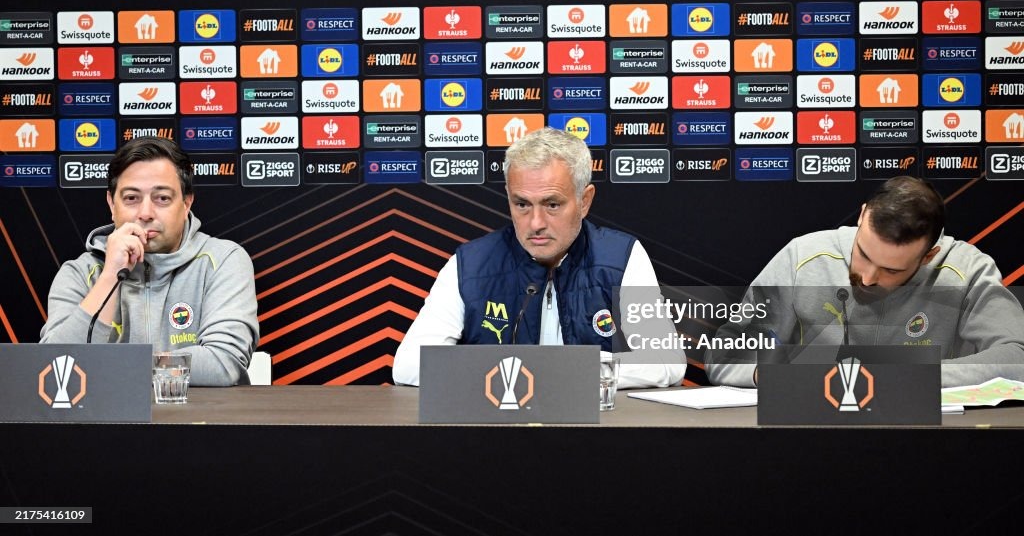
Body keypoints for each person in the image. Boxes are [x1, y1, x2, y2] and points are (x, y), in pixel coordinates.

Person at [393, 126, 686, 388]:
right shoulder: (471, 263)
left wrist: (555, 371)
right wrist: (517, 374)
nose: (535, 223)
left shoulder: (621, 258)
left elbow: (666, 362)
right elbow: (407, 367)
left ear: (584, 201)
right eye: (521, 204)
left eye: (552, 205)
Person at [706, 176, 1024, 388]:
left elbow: (1017, 357)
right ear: (861, 216)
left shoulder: (965, 270)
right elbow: (725, 357)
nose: (869, 278)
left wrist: (903, 376)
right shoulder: (802, 256)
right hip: (808, 439)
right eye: (863, 254)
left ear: (928, 256)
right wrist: (772, 375)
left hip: (929, 442)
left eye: (891, 270)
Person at [40, 137, 259, 386]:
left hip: (200, 422)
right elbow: (56, 365)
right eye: (132, 198)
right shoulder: (79, 273)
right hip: (106, 425)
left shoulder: (222, 260)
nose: (145, 213)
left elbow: (222, 363)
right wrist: (110, 274)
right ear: (112, 204)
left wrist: (107, 367)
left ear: (186, 202)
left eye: (162, 198)